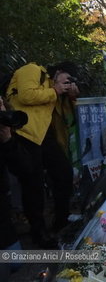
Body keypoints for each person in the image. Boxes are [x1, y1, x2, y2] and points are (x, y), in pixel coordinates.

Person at [6, 62, 79, 248]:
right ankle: (39, 234)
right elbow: (26, 95)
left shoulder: (53, 87)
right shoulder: (32, 70)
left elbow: (64, 111)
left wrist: (71, 94)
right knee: (33, 185)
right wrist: (55, 90)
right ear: (59, 72)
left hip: (43, 135)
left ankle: (61, 220)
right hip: (23, 133)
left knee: (64, 172)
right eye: (67, 79)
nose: (68, 83)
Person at [0, 98, 28, 281]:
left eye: (0, 104)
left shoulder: (5, 133)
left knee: (15, 262)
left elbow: (25, 169)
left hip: (2, 210)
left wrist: (7, 141)